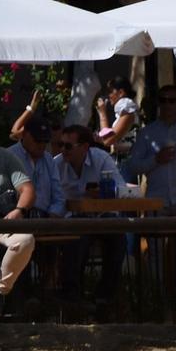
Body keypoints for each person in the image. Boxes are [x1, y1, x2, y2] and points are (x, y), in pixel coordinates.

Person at [127, 85, 176, 314]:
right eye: (164, 100)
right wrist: (155, 160)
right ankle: (157, 299)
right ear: (159, 103)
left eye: (172, 100)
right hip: (156, 199)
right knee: (155, 252)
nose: (168, 105)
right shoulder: (147, 134)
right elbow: (133, 166)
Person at [54, 125, 127, 311]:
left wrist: (104, 192)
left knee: (118, 238)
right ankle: (72, 297)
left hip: (102, 216)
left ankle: (105, 298)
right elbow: (55, 200)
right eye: (60, 145)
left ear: (85, 147)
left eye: (68, 146)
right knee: (76, 240)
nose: (63, 150)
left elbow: (121, 190)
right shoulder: (56, 165)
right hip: (73, 219)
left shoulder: (101, 159)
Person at [0, 144, 36, 319]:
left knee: (25, 239)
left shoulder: (5, 157)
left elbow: (28, 190)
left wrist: (19, 210)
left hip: (1, 222)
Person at [8, 117, 64, 218]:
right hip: (14, 219)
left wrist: (51, 217)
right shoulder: (8, 157)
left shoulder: (49, 160)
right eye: (37, 140)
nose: (42, 145)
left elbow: (58, 198)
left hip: (45, 220)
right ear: (24, 135)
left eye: (45, 140)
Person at [95, 76, 140, 162]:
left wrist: (102, 114)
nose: (108, 95)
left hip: (126, 164)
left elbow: (108, 139)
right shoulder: (123, 111)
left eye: (110, 91)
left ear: (120, 93)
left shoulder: (127, 109)